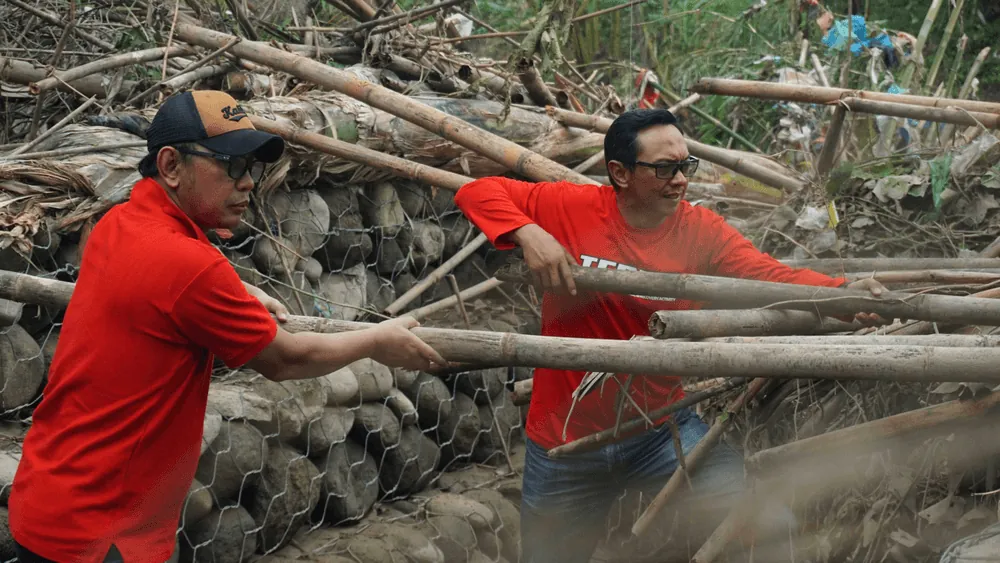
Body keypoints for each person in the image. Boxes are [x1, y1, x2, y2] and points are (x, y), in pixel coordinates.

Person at [8, 91, 448, 563]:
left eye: (253, 167)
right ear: (172, 165)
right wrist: (377, 341)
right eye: (232, 165)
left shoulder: (120, 222)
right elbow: (285, 359)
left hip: (49, 500)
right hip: (104, 535)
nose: (248, 184)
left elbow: (171, 278)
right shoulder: (189, 267)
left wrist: (242, 289)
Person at [454, 108, 886, 563]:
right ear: (619, 173)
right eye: (664, 169)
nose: (680, 180)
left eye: (685, 166)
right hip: (563, 440)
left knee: (767, 527)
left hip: (660, 431)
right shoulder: (570, 207)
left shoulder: (702, 233)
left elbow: (768, 276)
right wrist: (528, 232)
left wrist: (841, 294)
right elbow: (475, 190)